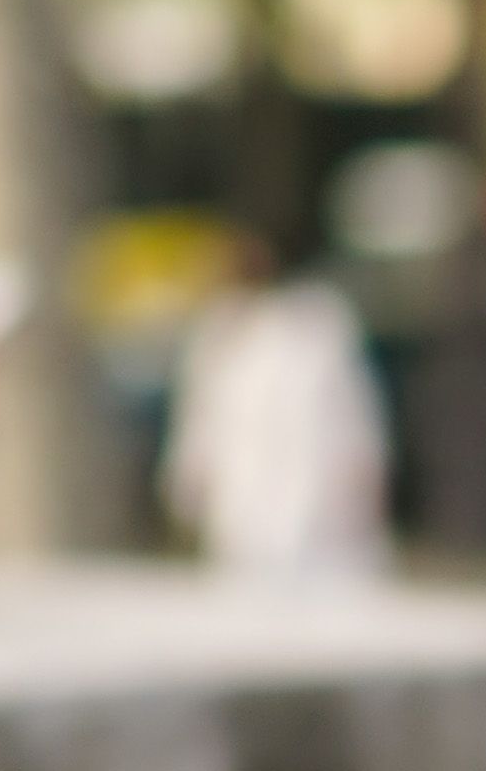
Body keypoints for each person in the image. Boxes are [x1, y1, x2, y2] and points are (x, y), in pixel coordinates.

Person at [160, 234, 393, 577]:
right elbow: (201, 423)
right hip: (242, 516)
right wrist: (188, 489)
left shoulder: (316, 328)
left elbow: (351, 414)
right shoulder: (215, 337)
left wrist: (364, 477)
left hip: (317, 513)